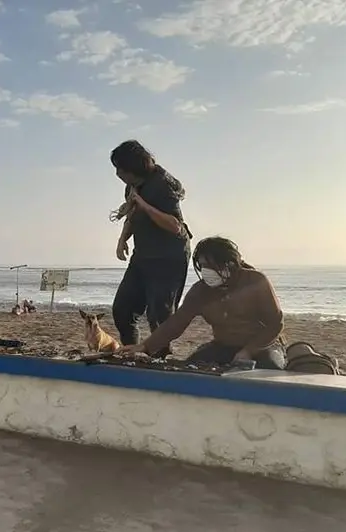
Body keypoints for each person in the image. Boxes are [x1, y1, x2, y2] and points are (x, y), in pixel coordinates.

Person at [117, 237, 286, 369]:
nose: (206, 271)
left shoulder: (256, 281)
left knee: (271, 371)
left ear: (229, 264)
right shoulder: (200, 291)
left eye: (210, 265)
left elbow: (275, 323)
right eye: (202, 265)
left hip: (263, 347)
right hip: (223, 346)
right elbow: (176, 323)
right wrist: (145, 346)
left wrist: (249, 350)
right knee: (190, 368)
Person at [109, 140, 192, 357]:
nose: (118, 174)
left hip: (169, 255)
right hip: (143, 253)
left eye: (121, 168)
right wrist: (122, 239)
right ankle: (132, 352)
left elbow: (175, 226)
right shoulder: (132, 186)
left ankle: (160, 358)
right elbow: (132, 214)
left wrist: (144, 205)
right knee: (123, 309)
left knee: (159, 315)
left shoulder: (163, 184)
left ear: (134, 167)